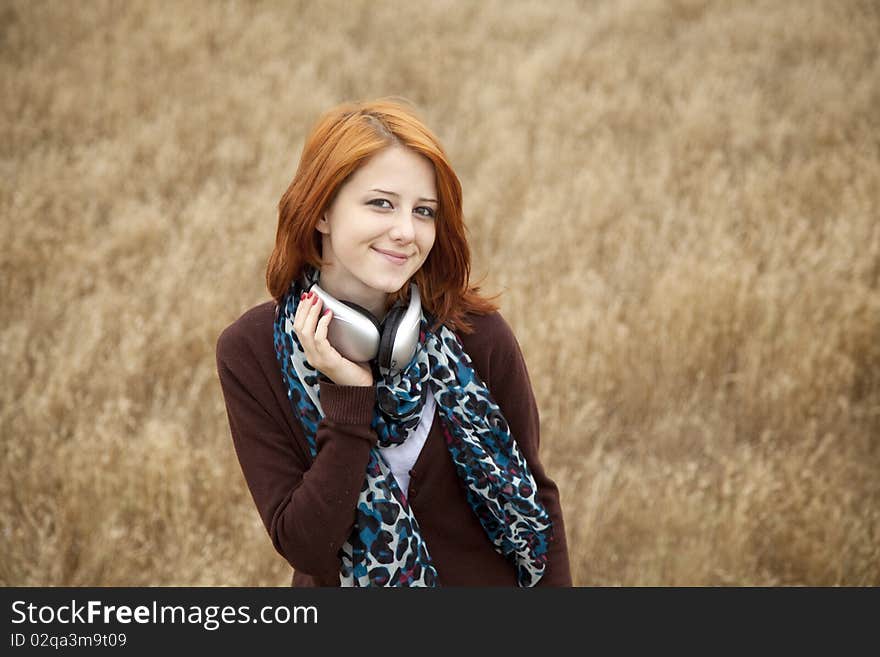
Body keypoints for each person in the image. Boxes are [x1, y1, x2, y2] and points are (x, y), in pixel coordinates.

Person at [215, 97, 572, 587]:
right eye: (381, 203)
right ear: (321, 211)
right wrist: (349, 401)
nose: (406, 232)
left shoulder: (476, 332)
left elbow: (537, 502)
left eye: (423, 211)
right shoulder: (250, 352)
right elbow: (305, 545)